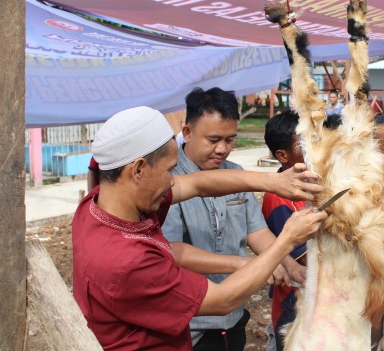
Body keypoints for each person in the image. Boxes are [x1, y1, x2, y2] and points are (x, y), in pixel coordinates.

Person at [72, 106, 326, 350]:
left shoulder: (97, 204)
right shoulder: (127, 261)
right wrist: (287, 240)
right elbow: (222, 299)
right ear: (138, 169)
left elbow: (196, 184)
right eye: (170, 170)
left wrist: (274, 181)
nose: (173, 180)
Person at [162, 87, 308, 350]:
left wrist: (289, 265)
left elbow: (257, 231)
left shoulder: (235, 173)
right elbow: (172, 251)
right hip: (190, 325)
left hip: (233, 319)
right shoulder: (168, 181)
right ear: (188, 132)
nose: (222, 149)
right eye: (213, 139)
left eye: (230, 140)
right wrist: (244, 265)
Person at [261, 110, 309, 350]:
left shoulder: (310, 185)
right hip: (293, 297)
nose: (313, 148)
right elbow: (302, 254)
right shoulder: (277, 197)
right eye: (304, 144)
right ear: (283, 155)